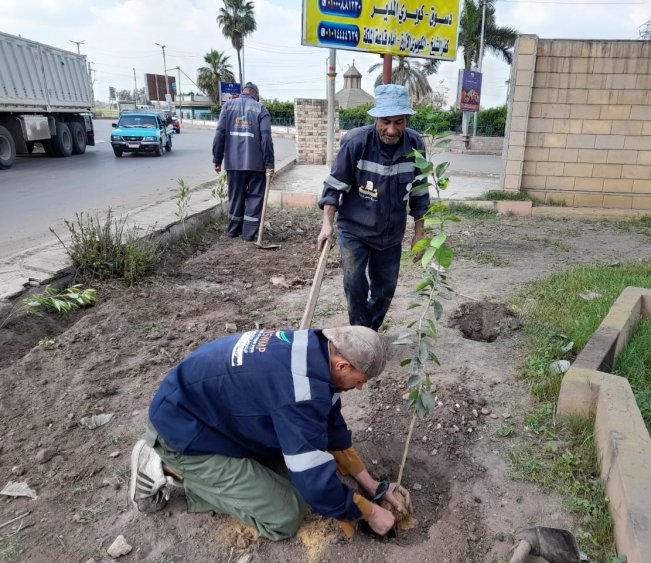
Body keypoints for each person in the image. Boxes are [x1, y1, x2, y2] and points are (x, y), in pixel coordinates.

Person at [129, 325, 411, 541]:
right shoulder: (300, 393)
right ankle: (168, 468)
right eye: (360, 381)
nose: (359, 388)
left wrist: (371, 484)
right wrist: (369, 512)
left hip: (207, 412)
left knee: (296, 458)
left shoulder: (313, 348)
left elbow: (329, 420)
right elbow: (317, 489)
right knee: (286, 514)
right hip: (183, 433)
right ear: (342, 365)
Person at [317, 84, 430, 331]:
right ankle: (360, 334)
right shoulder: (356, 142)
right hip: (355, 230)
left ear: (406, 119)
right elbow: (334, 186)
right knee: (355, 284)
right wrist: (327, 224)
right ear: (376, 117)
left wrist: (419, 233)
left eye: (399, 122)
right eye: (385, 121)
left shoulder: (415, 145)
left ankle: (370, 332)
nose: (391, 129)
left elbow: (420, 192)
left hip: (390, 234)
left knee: (385, 289)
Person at [212, 81, 275, 241]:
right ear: (256, 94)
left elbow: (220, 133)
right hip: (257, 165)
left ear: (243, 92)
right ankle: (248, 234)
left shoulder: (228, 106)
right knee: (255, 198)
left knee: (236, 197)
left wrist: (217, 159)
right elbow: (266, 137)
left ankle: (233, 231)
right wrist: (269, 164)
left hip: (234, 164)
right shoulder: (261, 109)